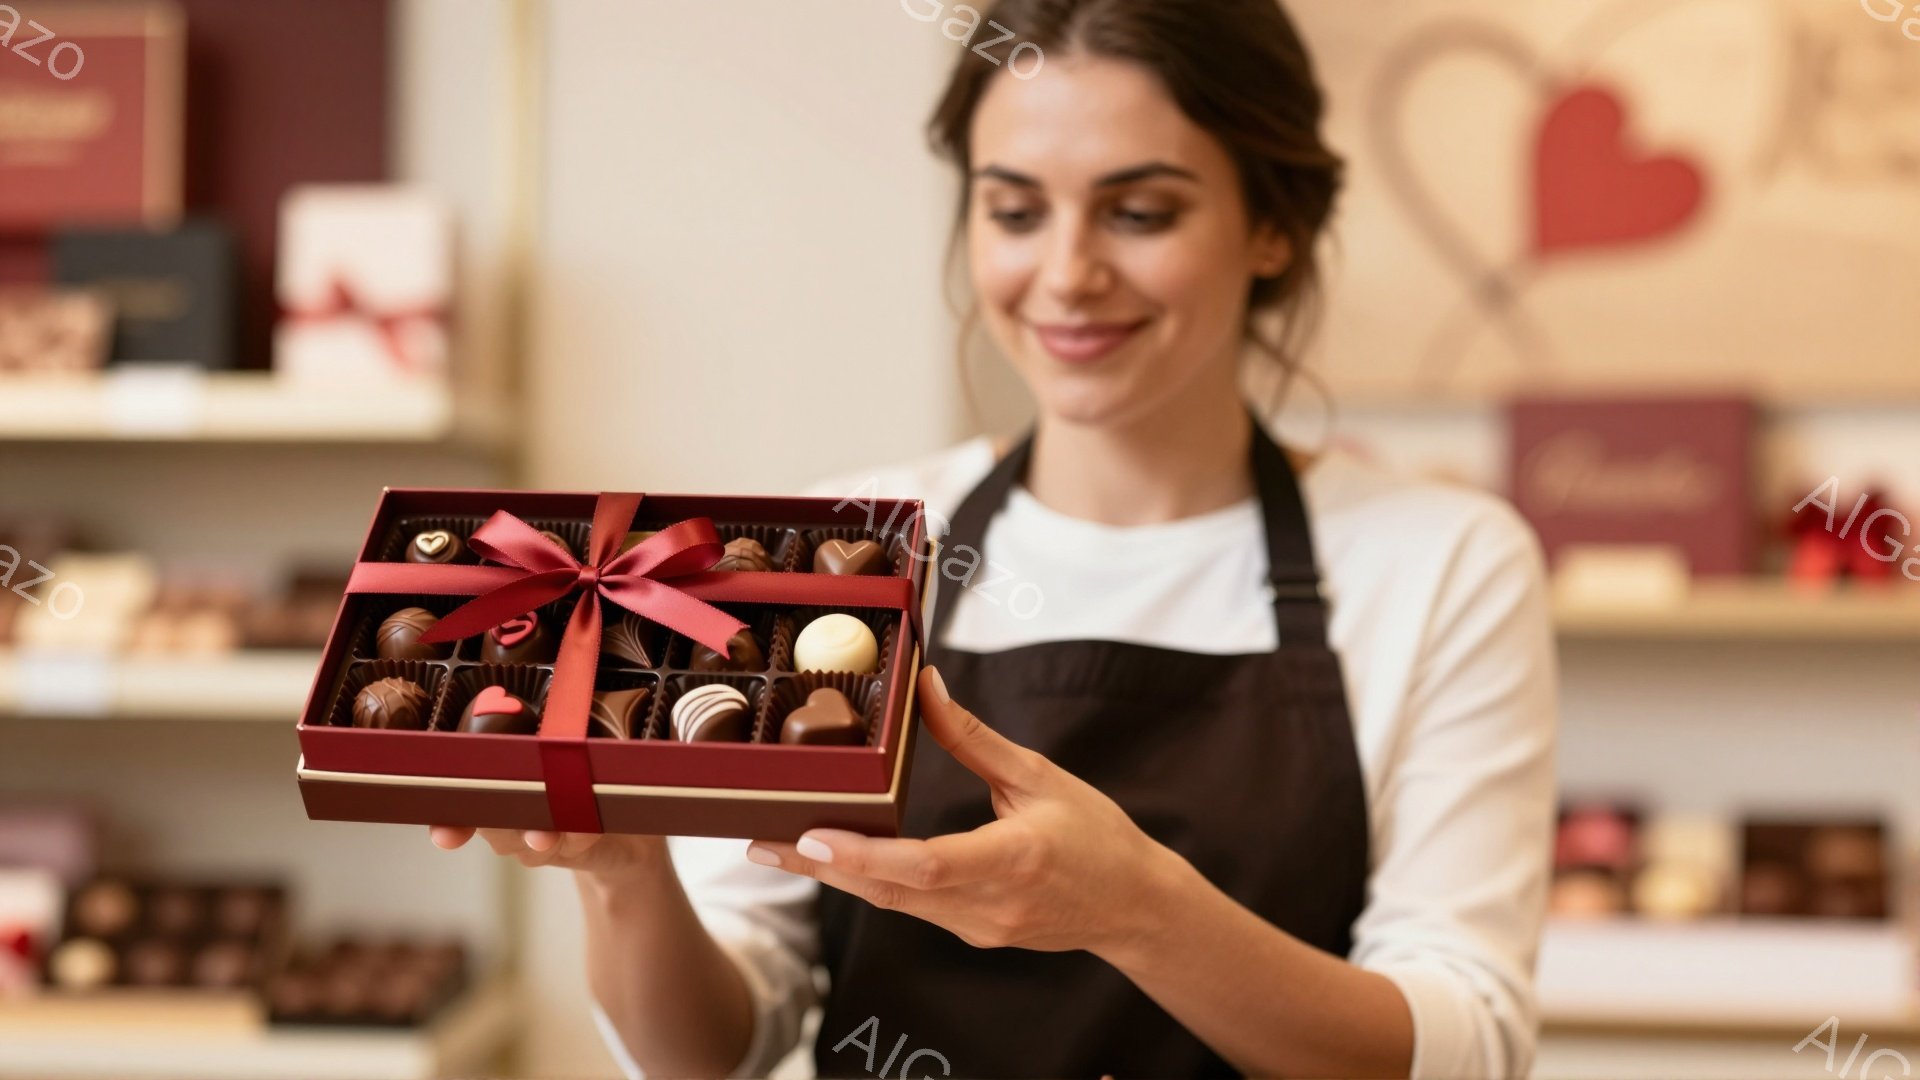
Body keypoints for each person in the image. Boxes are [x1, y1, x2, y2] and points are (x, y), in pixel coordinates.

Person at [429, 1, 1557, 1076]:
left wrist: (1139, 912)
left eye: (1140, 212)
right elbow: (712, 1055)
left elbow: (1464, 1046)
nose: (1066, 275)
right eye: (1015, 212)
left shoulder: (1443, 563)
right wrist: (627, 876)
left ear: (1274, 226)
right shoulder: (854, 545)